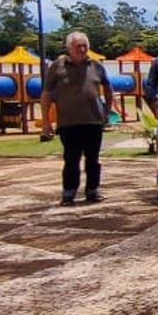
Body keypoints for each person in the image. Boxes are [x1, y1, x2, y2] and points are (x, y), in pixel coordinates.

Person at [40, 32, 114, 206]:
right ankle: (69, 192)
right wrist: (45, 121)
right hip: (68, 122)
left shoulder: (96, 65)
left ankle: (92, 190)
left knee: (93, 159)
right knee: (71, 159)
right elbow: (46, 93)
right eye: (77, 46)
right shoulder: (57, 66)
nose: (81, 50)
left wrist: (107, 110)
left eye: (84, 46)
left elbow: (108, 86)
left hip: (93, 120)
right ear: (69, 48)